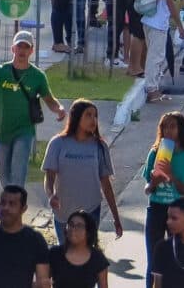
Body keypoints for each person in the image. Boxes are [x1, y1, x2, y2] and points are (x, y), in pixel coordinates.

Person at [0, 30, 65, 190]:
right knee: (2, 172)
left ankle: (16, 200)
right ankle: (10, 200)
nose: (22, 50)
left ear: (31, 50)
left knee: (18, 171)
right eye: (19, 46)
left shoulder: (37, 76)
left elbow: (49, 99)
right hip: (2, 130)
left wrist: (59, 109)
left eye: (26, 47)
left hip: (24, 130)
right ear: (13, 48)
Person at [42, 99, 123, 244]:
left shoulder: (100, 146)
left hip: (91, 211)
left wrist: (116, 218)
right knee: (66, 254)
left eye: (95, 116)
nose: (94, 120)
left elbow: (106, 184)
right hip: (63, 213)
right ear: (76, 117)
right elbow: (49, 176)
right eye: (88, 115)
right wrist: (51, 195)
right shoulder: (57, 143)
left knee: (86, 253)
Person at [142, 112, 184, 287]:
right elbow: (147, 190)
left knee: (177, 257)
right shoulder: (155, 153)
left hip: (179, 211)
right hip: (156, 209)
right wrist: (154, 182)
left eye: (172, 126)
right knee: (154, 259)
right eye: (164, 127)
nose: (168, 130)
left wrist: (171, 175)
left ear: (181, 129)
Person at [48, 209, 110, 288]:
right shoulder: (54, 254)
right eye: (71, 224)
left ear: (88, 232)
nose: (73, 229)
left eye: (79, 226)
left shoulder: (98, 259)